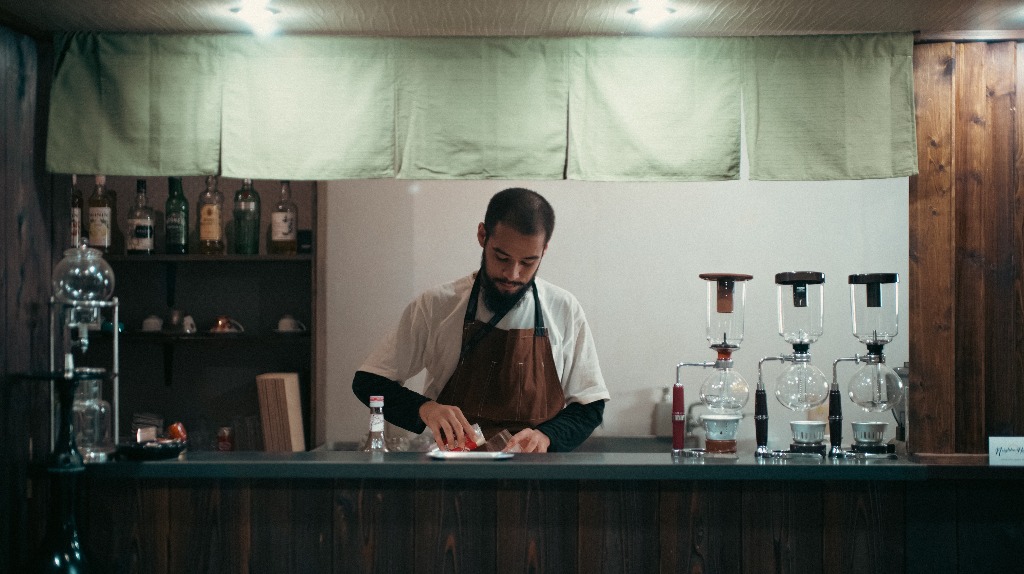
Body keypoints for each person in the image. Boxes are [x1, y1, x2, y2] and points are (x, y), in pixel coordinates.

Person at [352, 187, 610, 453]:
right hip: (453, 474)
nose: (513, 274)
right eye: (502, 257)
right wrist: (425, 409)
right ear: (482, 235)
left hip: (538, 477)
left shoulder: (563, 309)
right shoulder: (437, 306)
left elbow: (591, 405)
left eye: (528, 262)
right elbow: (369, 382)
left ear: (544, 251)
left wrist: (546, 436)